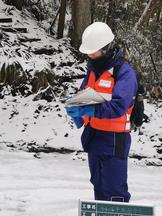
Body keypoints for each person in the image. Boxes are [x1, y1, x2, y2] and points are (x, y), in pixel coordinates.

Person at [65, 22, 138, 203]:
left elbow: (118, 106)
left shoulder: (125, 73)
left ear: (106, 48)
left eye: (93, 51)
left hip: (114, 139)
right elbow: (84, 95)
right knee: (97, 182)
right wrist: (76, 109)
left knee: (114, 187)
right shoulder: (92, 70)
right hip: (94, 135)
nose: (90, 55)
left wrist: (91, 108)